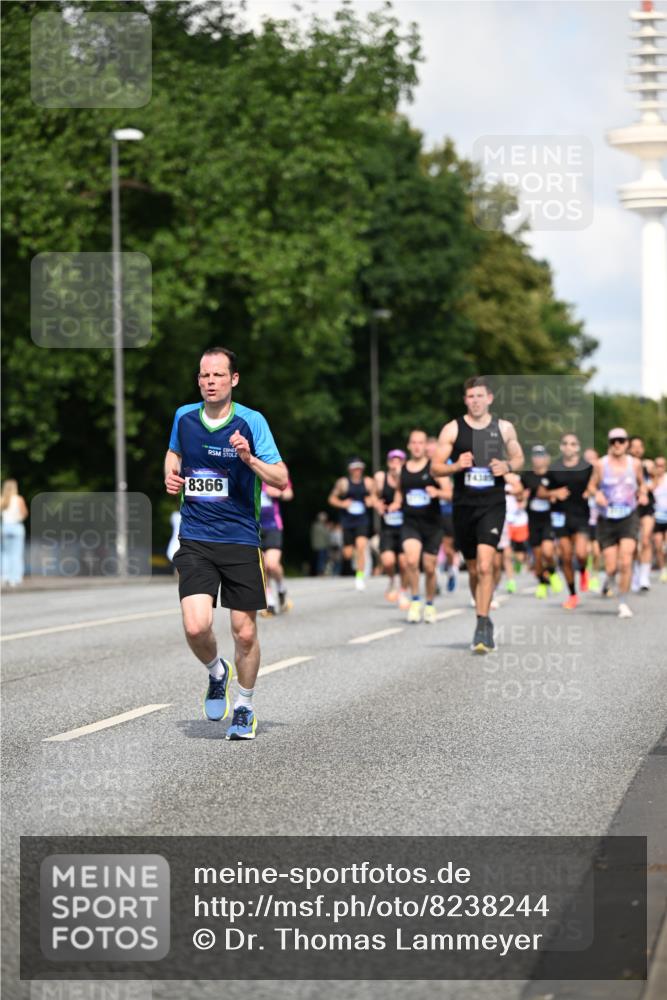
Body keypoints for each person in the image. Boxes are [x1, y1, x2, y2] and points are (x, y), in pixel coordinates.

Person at [164, 346, 287, 741]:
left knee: (245, 632)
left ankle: (245, 706)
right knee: (196, 625)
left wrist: (249, 459)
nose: (209, 382)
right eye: (204, 375)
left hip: (240, 539)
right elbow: (173, 454)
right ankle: (217, 672)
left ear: (233, 379)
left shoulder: (252, 422)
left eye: (217, 375)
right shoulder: (184, 417)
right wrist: (170, 475)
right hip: (196, 536)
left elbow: (281, 478)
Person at [432, 376, 524, 653]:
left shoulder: (504, 428)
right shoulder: (452, 429)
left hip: (493, 505)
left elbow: (520, 458)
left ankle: (483, 624)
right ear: (465, 400)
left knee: (486, 566)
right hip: (464, 506)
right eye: (471, 396)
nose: (475, 401)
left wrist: (507, 466)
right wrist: (455, 466)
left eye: (480, 396)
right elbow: (435, 467)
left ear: (489, 398)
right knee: (472, 568)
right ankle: (482, 616)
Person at [588, 428, 647, 618]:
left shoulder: (635, 464)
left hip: (628, 517)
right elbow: (591, 485)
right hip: (607, 519)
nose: (617, 444)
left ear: (627, 443)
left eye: (621, 440)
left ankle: (623, 603)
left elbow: (642, 483)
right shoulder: (601, 464)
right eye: (614, 441)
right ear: (609, 443)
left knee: (626, 561)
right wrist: (596, 494)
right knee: (612, 566)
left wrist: (644, 493)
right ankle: (609, 578)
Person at [396, 430, 448, 623]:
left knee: (429, 567)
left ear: (426, 445)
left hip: (432, 525)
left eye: (421, 442)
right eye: (414, 442)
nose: (417, 446)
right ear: (409, 446)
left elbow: (450, 493)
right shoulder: (402, 469)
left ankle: (430, 603)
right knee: (411, 561)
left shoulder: (434, 468)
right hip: (410, 523)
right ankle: (415, 600)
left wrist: (437, 492)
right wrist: (394, 504)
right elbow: (399, 493)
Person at [538, 433, 594, 610]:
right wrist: (553, 493)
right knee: (565, 556)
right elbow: (541, 492)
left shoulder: (587, 468)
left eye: (572, 444)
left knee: (581, 553)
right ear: (561, 447)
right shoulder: (554, 469)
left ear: (578, 447)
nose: (569, 447)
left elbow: (597, 484)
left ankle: (584, 570)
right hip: (560, 517)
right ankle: (572, 594)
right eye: (565, 444)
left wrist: (592, 491)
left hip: (581, 516)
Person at [327, 459, 375, 590]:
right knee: (347, 553)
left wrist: (371, 500)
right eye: (355, 468)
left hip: (362, 520)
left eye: (359, 468)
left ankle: (359, 577)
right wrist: (342, 504)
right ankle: (355, 559)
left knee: (361, 547)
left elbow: (376, 496)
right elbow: (331, 498)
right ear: (350, 470)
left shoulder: (368, 482)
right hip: (347, 522)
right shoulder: (343, 483)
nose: (357, 471)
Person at [520, 445, 560, 598]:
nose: (538, 458)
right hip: (533, 519)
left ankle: (552, 572)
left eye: (542, 455)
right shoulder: (527, 476)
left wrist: (553, 496)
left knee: (548, 552)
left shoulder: (553, 475)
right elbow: (520, 492)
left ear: (547, 458)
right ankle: (542, 583)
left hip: (548, 519)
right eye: (536, 455)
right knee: (537, 558)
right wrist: (520, 496)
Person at [373, 449, 409, 605]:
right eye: (392, 461)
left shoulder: (408, 477)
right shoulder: (381, 478)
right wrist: (377, 505)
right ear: (388, 463)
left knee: (403, 562)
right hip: (387, 526)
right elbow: (373, 496)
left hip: (405, 526)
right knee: (387, 561)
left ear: (404, 463)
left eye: (399, 461)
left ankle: (403, 590)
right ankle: (392, 580)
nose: (395, 464)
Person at [259, 477, 293, 616]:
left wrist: (279, 493)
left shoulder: (271, 470)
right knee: (262, 566)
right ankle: (270, 602)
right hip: (252, 527)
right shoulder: (245, 470)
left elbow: (289, 493)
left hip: (273, 526)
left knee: (272, 565)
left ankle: (281, 589)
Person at [629, 435, 655, 592]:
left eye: (640, 446)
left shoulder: (647, 465)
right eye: (634, 446)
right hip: (630, 506)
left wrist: (646, 488)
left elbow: (655, 484)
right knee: (632, 545)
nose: (637, 449)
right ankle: (635, 573)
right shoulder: (624, 465)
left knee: (645, 540)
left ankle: (644, 577)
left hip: (646, 506)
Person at [1, 479, 28, 587]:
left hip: (5, 527)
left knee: (5, 554)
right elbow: (24, 513)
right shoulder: (19, 499)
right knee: (16, 554)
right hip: (16, 527)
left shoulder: (2, 500)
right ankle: (15, 578)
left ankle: (5, 577)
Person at [651, 456, 667, 582]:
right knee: (658, 546)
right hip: (656, 517)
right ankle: (663, 570)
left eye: (662, 465)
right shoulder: (651, 480)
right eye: (658, 465)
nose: (660, 468)